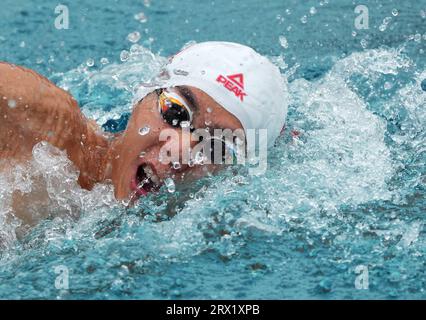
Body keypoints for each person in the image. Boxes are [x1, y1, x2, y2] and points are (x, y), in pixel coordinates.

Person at [0, 42, 288, 204]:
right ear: (144, 93)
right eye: (176, 112)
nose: (180, 151)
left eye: (217, 146)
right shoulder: (34, 120)